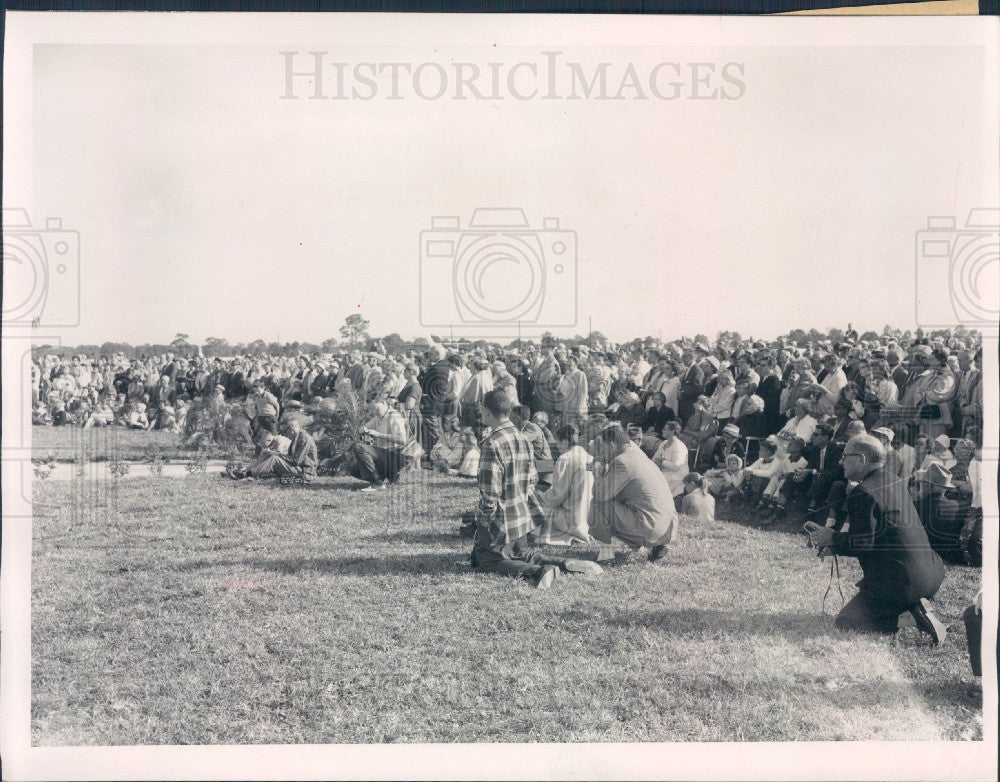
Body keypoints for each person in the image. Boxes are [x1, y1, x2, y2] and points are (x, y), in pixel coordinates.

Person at [806, 434, 947, 644]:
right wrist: (835, 544)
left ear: (862, 460)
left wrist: (832, 538)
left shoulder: (863, 492)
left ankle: (909, 617)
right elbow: (881, 536)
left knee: (846, 621)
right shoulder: (894, 480)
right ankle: (913, 605)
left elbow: (863, 543)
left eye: (845, 456)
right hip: (932, 574)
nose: (841, 461)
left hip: (902, 583)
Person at [469, 390, 600, 589]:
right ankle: (564, 563)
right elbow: (532, 479)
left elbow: (490, 492)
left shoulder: (492, 443)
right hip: (523, 517)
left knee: (488, 561)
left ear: (486, 412)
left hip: (502, 519)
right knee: (523, 554)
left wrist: (483, 521)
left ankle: (540, 572)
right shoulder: (522, 438)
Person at [589, 424, 677, 562]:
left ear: (611, 445)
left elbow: (600, 494)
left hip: (651, 527)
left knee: (597, 503)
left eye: (602, 447)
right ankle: (656, 546)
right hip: (667, 527)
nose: (601, 451)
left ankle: (605, 554)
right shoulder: (637, 454)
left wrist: (598, 473)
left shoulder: (622, 462)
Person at [535, 424, 594, 546]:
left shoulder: (565, 459)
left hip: (572, 518)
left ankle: (575, 532)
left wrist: (538, 495)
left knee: (536, 507)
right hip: (590, 516)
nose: (557, 446)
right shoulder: (589, 457)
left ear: (565, 441)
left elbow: (556, 497)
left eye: (558, 442)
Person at [912, 462, 964, 564]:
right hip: (952, 557)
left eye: (922, 483)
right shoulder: (958, 507)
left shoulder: (916, 506)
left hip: (927, 558)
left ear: (929, 485)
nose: (920, 485)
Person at [350, 400, 408, 491]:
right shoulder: (379, 417)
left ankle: (378, 483)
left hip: (394, 455)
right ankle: (390, 477)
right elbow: (365, 428)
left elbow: (403, 440)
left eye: (377, 408)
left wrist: (380, 435)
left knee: (358, 447)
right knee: (353, 468)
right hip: (385, 454)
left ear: (385, 403)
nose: (376, 411)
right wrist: (363, 430)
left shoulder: (394, 416)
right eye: (373, 410)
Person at [652, 421, 689, 504]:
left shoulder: (679, 446)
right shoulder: (663, 443)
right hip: (664, 470)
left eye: (665, 429)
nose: (662, 431)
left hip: (677, 474)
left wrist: (662, 462)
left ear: (672, 432)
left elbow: (676, 466)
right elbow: (654, 458)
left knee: (656, 480)